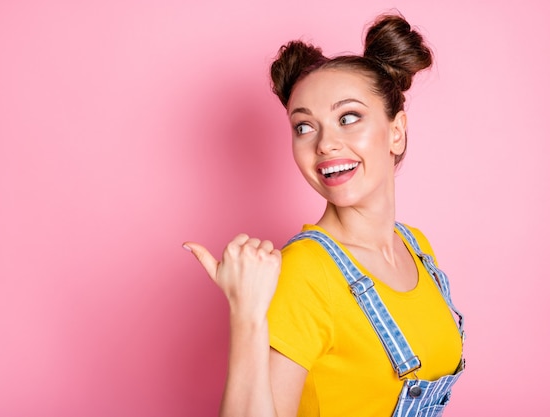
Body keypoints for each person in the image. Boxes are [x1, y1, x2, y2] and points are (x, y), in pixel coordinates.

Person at [183, 12, 465, 417]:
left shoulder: (416, 247)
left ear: (397, 131)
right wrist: (247, 314)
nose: (326, 144)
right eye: (304, 127)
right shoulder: (304, 272)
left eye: (348, 118)